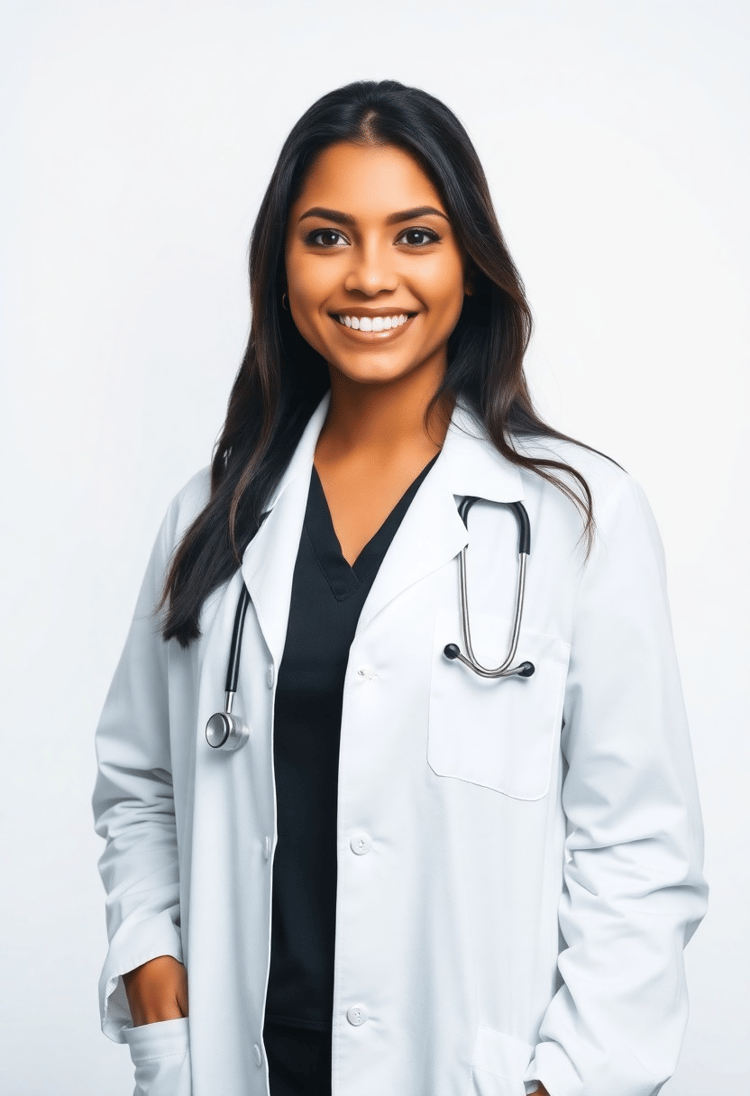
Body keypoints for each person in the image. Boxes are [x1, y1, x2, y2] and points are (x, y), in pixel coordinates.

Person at [92, 80, 707, 1096]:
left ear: (470, 259)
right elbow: (139, 780)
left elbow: (639, 846)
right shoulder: (215, 514)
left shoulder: (576, 515)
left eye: (414, 236)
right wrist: (155, 972)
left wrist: (571, 1082)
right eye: (327, 236)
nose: (370, 276)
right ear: (281, 265)